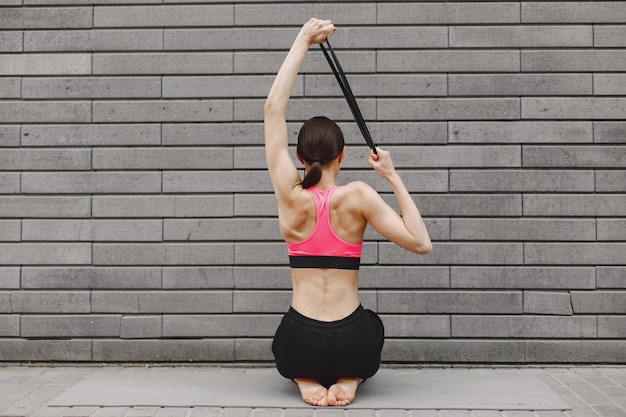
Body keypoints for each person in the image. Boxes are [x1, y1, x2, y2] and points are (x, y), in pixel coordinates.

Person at [264, 18, 432, 407]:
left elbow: (273, 110)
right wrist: (392, 177)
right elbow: (422, 244)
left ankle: (305, 377)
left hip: (298, 343)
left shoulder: (291, 197)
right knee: (370, 325)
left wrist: (303, 40)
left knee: (288, 341)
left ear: (300, 158)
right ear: (342, 156)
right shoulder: (359, 195)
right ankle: (349, 376)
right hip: (351, 342)